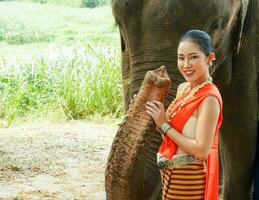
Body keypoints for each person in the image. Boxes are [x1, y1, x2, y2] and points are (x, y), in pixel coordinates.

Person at [145, 30, 223, 200]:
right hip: (169, 176)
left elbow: (201, 150)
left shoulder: (209, 98)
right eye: (181, 58)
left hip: (189, 178)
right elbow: (174, 134)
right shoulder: (183, 88)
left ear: (209, 58)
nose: (186, 64)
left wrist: (164, 125)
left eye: (193, 57)